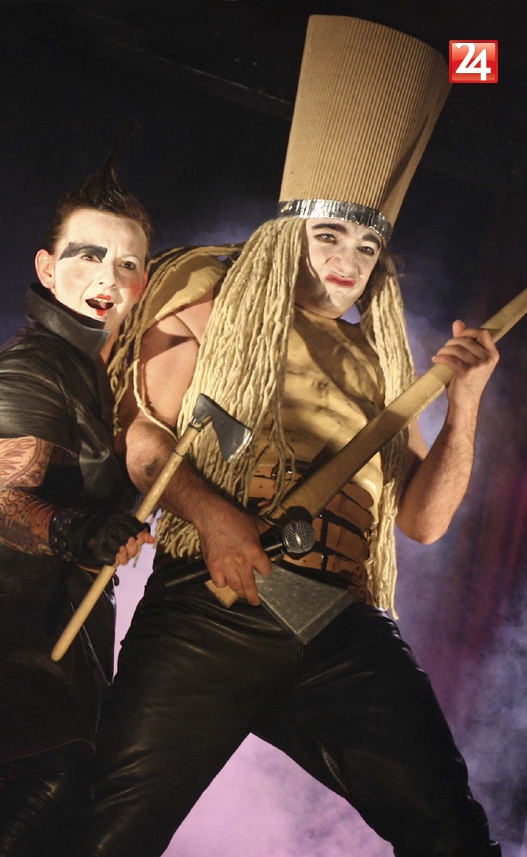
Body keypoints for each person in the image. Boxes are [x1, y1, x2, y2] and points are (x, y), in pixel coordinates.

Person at [78, 17, 501, 857]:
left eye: (368, 243)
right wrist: (217, 518)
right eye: (330, 234)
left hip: (334, 622)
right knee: (106, 838)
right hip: (213, 607)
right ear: (288, 231)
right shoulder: (209, 301)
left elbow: (422, 521)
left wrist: (466, 404)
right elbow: (147, 442)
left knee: (452, 833)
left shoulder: (381, 362)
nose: (349, 258)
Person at [0, 142, 154, 856]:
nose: (107, 277)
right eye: (88, 256)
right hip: (8, 608)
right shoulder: (32, 367)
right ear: (47, 268)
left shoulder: (97, 371)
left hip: (64, 605)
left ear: (144, 281)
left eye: (127, 263)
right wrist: (86, 534)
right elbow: (4, 505)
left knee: (51, 808)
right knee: (52, 783)